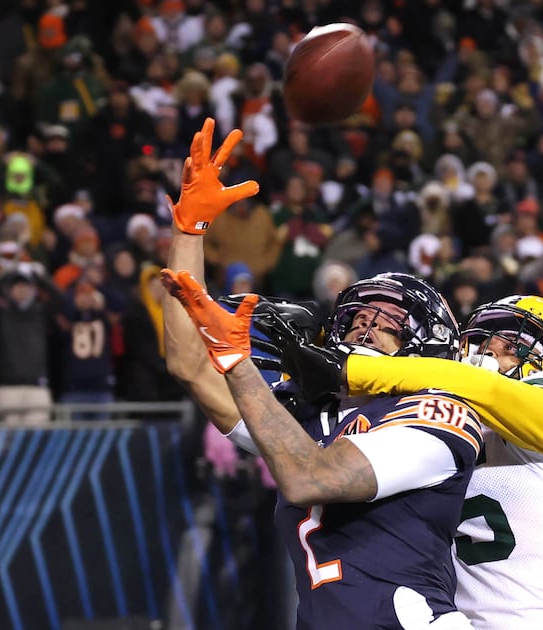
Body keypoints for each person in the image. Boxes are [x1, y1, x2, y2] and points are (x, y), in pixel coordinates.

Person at [162, 118, 479, 629]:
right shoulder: (309, 417)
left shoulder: (437, 413)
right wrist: (189, 231)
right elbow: (190, 366)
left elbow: (312, 477)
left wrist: (238, 364)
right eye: (358, 317)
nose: (366, 328)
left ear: (427, 345)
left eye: (389, 323)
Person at [267, 294, 543, 628]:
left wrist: (353, 368)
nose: (489, 350)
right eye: (480, 342)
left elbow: (487, 389)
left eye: (513, 344)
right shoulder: (439, 419)